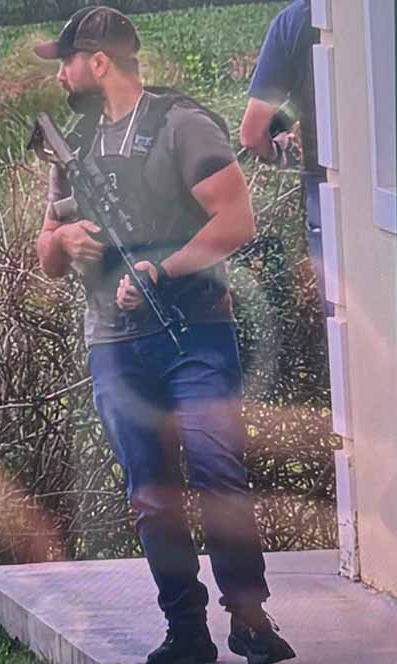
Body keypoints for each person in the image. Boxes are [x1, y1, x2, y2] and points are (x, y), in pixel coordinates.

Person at [33, 7, 296, 664]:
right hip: (115, 343)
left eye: (65, 61)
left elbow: (235, 220)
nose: (60, 77)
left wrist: (162, 267)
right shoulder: (73, 148)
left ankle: (250, 619)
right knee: (152, 494)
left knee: (217, 473)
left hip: (198, 329)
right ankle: (185, 632)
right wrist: (62, 238)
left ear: (97, 62)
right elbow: (46, 251)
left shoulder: (181, 124)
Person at [240, 0, 332, 319]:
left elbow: (252, 135)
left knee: (344, 320)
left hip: (326, 187)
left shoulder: (295, 21)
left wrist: (277, 152)